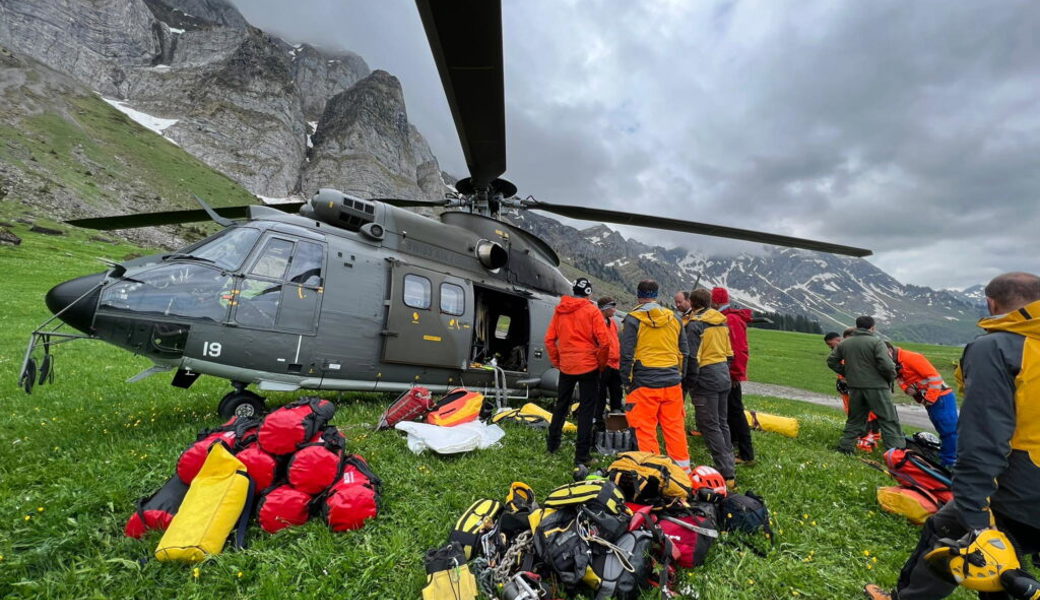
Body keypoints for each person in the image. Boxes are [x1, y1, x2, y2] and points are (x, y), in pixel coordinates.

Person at [865, 272, 1040, 600]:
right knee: (947, 527)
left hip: (1022, 489)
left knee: (987, 564)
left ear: (991, 302)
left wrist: (973, 505)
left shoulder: (996, 347)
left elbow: (985, 433)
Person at [619, 280, 692, 474]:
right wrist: (679, 377)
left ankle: (654, 474)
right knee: (675, 428)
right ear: (656, 295)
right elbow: (685, 352)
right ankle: (682, 473)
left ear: (638, 294)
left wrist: (626, 382)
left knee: (645, 429)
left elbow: (626, 354)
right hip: (672, 383)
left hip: (644, 383)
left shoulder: (633, 319)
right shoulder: (674, 318)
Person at [544, 277, 610, 469]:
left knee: (561, 406)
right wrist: (601, 364)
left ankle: (552, 446)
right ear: (588, 292)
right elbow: (604, 342)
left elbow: (549, 340)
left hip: (566, 366)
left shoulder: (560, 310)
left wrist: (558, 361)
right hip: (588, 366)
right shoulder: (592, 311)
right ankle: (582, 456)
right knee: (586, 411)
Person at [826, 316, 904, 454]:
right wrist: (891, 376)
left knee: (855, 418)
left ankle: (846, 446)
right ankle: (896, 452)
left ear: (857, 326)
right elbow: (886, 365)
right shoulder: (876, 342)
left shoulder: (845, 343)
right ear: (872, 327)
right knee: (888, 418)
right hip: (877, 387)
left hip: (855, 387)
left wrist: (848, 373)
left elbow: (832, 361)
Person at [685, 288, 736, 487]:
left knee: (709, 424)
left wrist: (689, 380)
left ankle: (725, 471)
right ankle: (729, 464)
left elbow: (691, 356)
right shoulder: (721, 321)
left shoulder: (696, 325)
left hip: (705, 375)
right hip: (723, 373)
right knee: (722, 422)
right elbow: (729, 354)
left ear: (692, 303)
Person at [886, 342, 959, 466]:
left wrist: (929, 399)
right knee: (944, 430)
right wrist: (907, 389)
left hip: (940, 397)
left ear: (889, 351)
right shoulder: (897, 363)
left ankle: (951, 462)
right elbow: (901, 380)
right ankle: (949, 459)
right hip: (931, 399)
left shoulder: (911, 358)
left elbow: (934, 377)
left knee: (949, 431)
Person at [712, 287, 755, 464]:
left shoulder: (731, 320)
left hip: (730, 374)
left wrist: (735, 375)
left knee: (736, 411)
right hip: (727, 372)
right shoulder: (729, 317)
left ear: (715, 302)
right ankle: (735, 442)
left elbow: (739, 350)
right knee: (729, 409)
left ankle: (747, 454)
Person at [825, 328, 881, 450]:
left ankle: (869, 440)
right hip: (849, 388)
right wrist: (841, 381)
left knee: (864, 414)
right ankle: (864, 438)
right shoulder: (843, 351)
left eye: (831, 344)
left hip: (859, 387)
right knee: (855, 414)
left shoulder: (856, 351)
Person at [595, 296, 624, 423]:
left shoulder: (612, 323)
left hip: (615, 364)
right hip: (603, 364)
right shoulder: (597, 321)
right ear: (605, 308)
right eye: (612, 306)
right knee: (600, 394)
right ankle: (597, 419)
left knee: (617, 392)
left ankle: (615, 420)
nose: (614, 309)